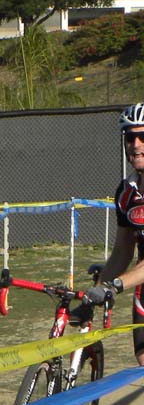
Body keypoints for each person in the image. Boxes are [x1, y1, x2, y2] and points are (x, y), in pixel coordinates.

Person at [83, 104, 144, 346]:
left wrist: (115, 286)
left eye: (143, 136)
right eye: (130, 137)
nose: (136, 144)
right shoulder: (126, 192)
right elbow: (122, 252)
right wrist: (92, 298)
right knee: (142, 358)